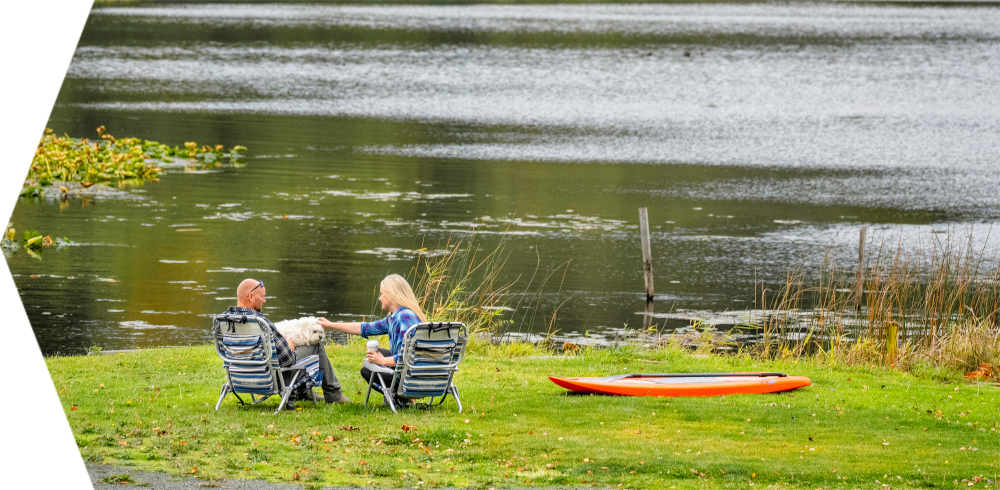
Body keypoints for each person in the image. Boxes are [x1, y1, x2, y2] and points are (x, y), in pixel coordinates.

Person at [223, 279, 350, 407]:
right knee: (314, 345)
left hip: (239, 378)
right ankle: (334, 395)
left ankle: (303, 393)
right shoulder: (261, 324)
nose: (264, 301)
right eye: (262, 296)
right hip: (270, 379)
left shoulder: (224, 321)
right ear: (250, 296)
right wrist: (289, 345)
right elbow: (288, 360)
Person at [318, 274, 426, 397]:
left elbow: (410, 356)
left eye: (382, 294)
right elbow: (365, 328)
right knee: (374, 355)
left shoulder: (404, 317)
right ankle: (400, 397)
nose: (380, 298)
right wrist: (331, 325)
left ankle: (402, 397)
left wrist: (382, 360)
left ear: (392, 295)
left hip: (411, 380)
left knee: (368, 370)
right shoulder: (395, 316)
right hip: (414, 372)